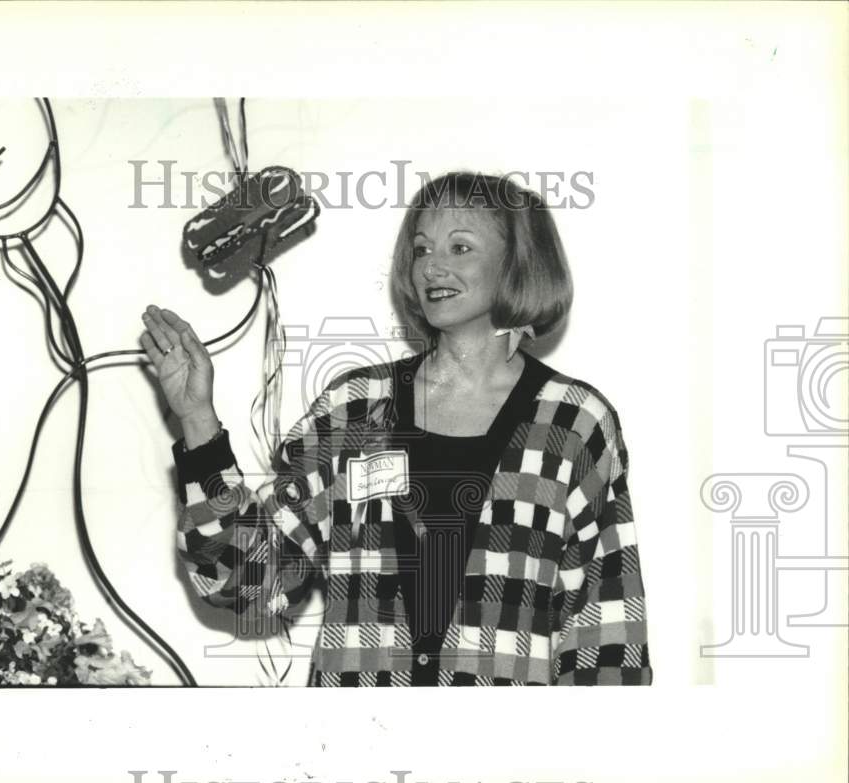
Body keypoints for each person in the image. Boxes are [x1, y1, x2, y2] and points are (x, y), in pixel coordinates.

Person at [140, 171, 653, 686]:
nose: (432, 265)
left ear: (516, 266)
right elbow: (243, 579)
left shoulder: (574, 421)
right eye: (422, 248)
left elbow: (607, 632)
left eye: (460, 247)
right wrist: (197, 419)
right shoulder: (354, 409)